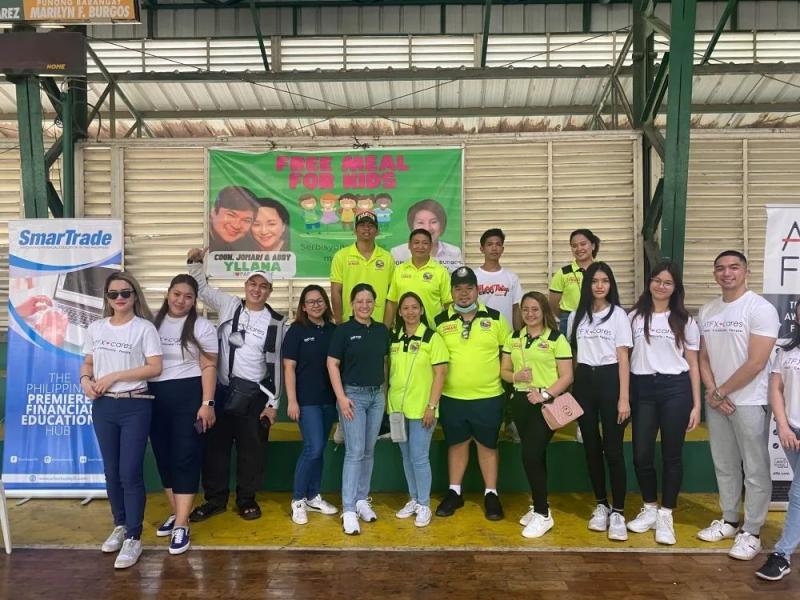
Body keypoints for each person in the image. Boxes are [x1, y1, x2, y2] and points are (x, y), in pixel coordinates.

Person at [186, 248, 288, 523]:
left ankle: (246, 500)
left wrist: (273, 403)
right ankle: (215, 500)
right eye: (253, 284)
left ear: (270, 291)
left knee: (252, 452)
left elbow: (277, 365)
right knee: (215, 449)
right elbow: (201, 289)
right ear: (245, 286)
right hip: (221, 391)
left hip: (255, 395)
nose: (257, 289)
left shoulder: (278, 322)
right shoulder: (230, 305)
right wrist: (195, 263)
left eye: (263, 286)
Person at [697, 250, 780, 560]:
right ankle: (730, 520)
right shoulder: (707, 310)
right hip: (718, 402)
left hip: (750, 401)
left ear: (746, 272)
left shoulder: (761, 309)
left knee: (755, 468)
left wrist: (721, 392)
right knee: (725, 464)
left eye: (734, 267)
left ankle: (753, 531)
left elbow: (756, 362)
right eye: (720, 268)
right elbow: (703, 357)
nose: (727, 273)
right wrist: (712, 391)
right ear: (714, 274)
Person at [79, 272, 162, 569]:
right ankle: (120, 524)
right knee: (111, 471)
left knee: (130, 472)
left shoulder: (144, 328)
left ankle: (134, 537)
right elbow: (88, 362)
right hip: (103, 407)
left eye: (125, 292)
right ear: (107, 298)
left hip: (134, 405)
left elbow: (154, 367)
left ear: (135, 295)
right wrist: (85, 380)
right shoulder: (96, 327)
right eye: (113, 294)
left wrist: (114, 376)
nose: (119, 298)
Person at [626, 262, 701, 546]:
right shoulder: (634, 317)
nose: (661, 286)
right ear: (649, 282)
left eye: (667, 282)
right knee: (641, 454)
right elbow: (624, 357)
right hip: (642, 389)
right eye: (656, 280)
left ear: (675, 287)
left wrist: (697, 405)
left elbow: (693, 364)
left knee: (672, 455)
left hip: (675, 390)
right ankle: (649, 508)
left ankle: (666, 514)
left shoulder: (685, 321)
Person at [434, 266, 511, 521]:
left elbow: (509, 354)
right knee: (456, 444)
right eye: (458, 289)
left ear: (477, 290)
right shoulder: (439, 321)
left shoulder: (496, 319)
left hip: (489, 396)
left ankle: (491, 494)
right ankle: (454, 492)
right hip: (452, 397)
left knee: (487, 445)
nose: (464, 294)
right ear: (451, 292)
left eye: (469, 288)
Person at [149, 275, 218, 555]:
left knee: (185, 458)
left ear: (195, 300)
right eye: (177, 294)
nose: (181, 301)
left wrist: (207, 403)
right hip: (154, 398)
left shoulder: (202, 327)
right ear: (168, 294)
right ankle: (179, 512)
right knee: (163, 458)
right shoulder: (150, 323)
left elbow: (209, 367)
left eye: (188, 296)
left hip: (188, 397)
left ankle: (181, 525)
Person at [568, 261, 632, 541]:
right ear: (587, 285)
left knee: (613, 450)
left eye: (605, 281)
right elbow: (573, 356)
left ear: (611, 284)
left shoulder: (618, 315)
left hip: (610, 381)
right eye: (594, 281)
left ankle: (618, 511)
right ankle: (601, 505)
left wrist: (624, 398)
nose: (599, 286)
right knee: (591, 448)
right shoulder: (576, 316)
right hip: (584, 382)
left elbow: (623, 358)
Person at [500, 291, 573, 538]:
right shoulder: (514, 338)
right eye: (525, 310)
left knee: (531, 454)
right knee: (534, 456)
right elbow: (504, 371)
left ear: (544, 311)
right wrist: (515, 376)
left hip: (546, 404)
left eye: (535, 309)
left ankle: (543, 514)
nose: (530, 314)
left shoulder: (556, 339)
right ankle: (538, 505)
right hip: (521, 401)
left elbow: (567, 376)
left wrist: (544, 394)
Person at [327, 283, 391, 535]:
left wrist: (384, 394)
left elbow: (385, 363)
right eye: (360, 301)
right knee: (354, 452)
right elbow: (332, 364)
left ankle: (362, 500)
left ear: (374, 303)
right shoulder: (343, 331)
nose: (364, 305)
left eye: (369, 301)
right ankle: (349, 509)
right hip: (352, 397)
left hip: (376, 397)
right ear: (352, 304)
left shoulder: (381, 330)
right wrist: (341, 398)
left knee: (368, 450)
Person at [389, 292, 449, 528]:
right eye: (405, 308)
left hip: (423, 409)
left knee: (419, 457)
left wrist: (431, 406)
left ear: (422, 310)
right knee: (406, 456)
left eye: (415, 307)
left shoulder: (432, 338)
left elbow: (441, 374)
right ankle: (414, 499)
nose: (410, 312)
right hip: (397, 410)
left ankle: (424, 504)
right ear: (400, 312)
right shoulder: (395, 338)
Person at [284, 285, 339, 525]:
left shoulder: (334, 331)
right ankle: (298, 500)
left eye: (319, 301)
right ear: (303, 307)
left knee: (320, 449)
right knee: (312, 448)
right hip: (306, 402)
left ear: (326, 303)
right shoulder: (296, 331)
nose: (316, 305)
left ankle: (313, 496)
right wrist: (292, 401)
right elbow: (289, 368)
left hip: (329, 401)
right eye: (310, 302)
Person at [756, 300, 800, 581]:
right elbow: (776, 389)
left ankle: (782, 555)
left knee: (797, 495)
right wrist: (783, 426)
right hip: (791, 432)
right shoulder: (786, 350)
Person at [330, 210, 394, 324]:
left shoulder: (387, 257)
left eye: (371, 225)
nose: (366, 228)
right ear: (355, 230)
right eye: (362, 225)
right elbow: (336, 291)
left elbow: (392, 296)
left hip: (378, 324)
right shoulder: (341, 256)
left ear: (377, 231)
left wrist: (386, 325)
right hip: (349, 323)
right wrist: (339, 322)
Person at [384, 228, 451, 329]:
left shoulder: (441, 271)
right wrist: (384, 331)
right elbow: (392, 303)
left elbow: (448, 304)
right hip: (403, 332)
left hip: (432, 331)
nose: (420, 246)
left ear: (431, 246)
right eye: (416, 242)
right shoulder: (399, 270)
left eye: (425, 243)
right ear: (409, 245)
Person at [549, 229, 600, 334]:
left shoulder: (601, 270)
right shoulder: (563, 273)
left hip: (597, 319)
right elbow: (553, 303)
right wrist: (567, 316)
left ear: (593, 246)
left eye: (583, 244)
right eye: (574, 246)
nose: (579, 248)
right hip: (568, 321)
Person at [391, 199, 463, 272]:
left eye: (433, 222)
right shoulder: (397, 253)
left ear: (442, 225)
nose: (427, 228)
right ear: (412, 227)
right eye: (420, 222)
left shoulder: (454, 252)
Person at [476, 228, 523, 331]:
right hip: (481, 333)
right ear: (482, 249)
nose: (494, 248)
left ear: (502, 249)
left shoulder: (512, 278)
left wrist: (518, 334)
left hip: (506, 334)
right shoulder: (474, 276)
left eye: (498, 244)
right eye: (489, 244)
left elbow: (516, 309)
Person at [208, 186, 258, 251]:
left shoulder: (251, 246)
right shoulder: (201, 238)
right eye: (231, 215)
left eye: (246, 220)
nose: (236, 226)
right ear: (213, 212)